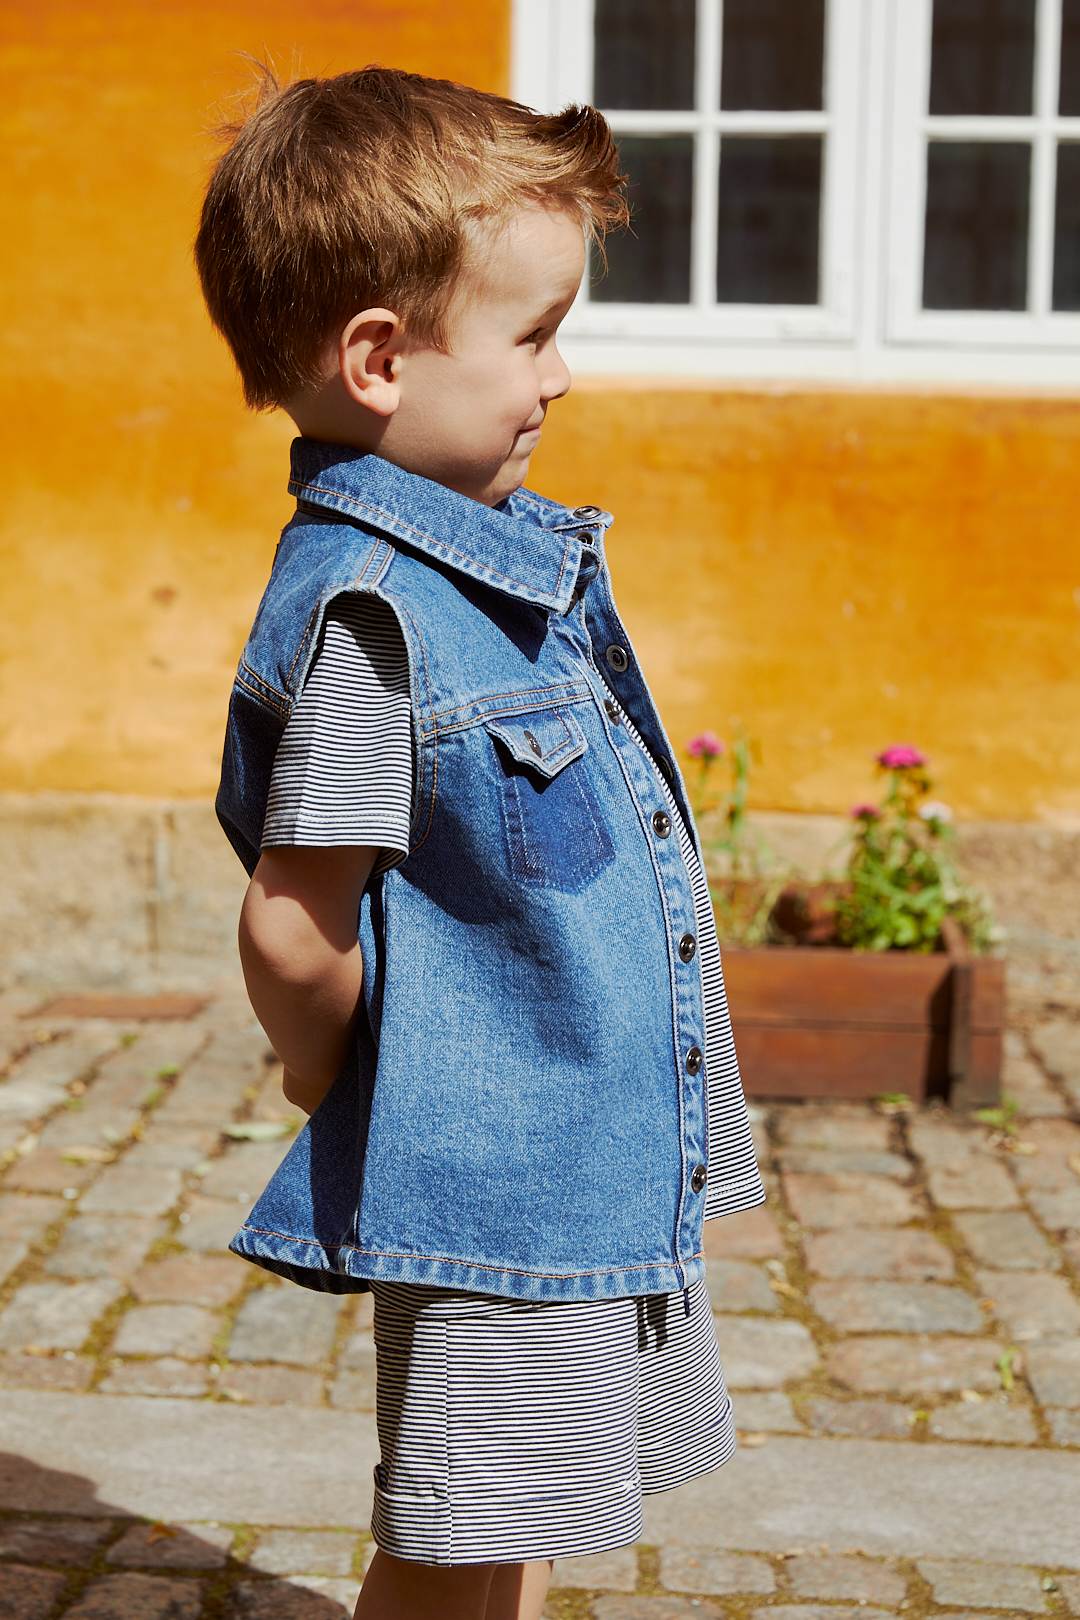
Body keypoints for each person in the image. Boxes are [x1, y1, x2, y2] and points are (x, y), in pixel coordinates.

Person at [194, 62, 768, 1620]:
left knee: (491, 1533)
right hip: (492, 1179)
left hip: (562, 1162)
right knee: (458, 1541)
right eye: (532, 335)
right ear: (379, 360)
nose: (560, 376)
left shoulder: (477, 572)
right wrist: (333, 1077)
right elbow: (293, 923)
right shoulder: (372, 618)